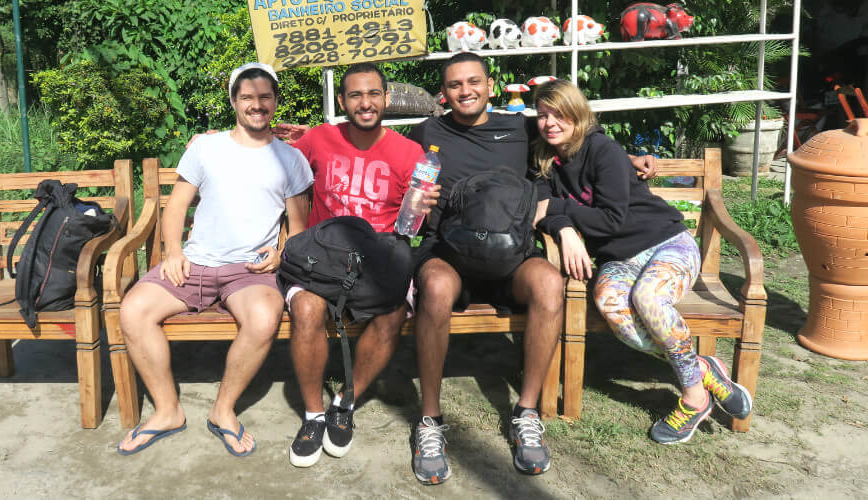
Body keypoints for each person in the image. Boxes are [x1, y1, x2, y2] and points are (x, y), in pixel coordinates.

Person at [407, 53, 657, 483]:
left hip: (513, 253)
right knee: (433, 288)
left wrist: (627, 157)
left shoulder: (522, 127)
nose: (465, 91)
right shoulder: (427, 131)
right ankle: (430, 419)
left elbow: (575, 136)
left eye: (473, 82)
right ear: (442, 94)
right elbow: (368, 141)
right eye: (454, 85)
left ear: (489, 85)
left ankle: (526, 412)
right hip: (450, 251)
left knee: (547, 283)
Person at [531, 79, 752, 445]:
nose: (550, 123)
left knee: (648, 299)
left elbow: (610, 219)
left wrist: (559, 208)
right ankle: (701, 370)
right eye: (542, 115)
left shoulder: (603, 150)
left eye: (559, 114)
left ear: (577, 113)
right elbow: (540, 204)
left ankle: (694, 398)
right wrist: (564, 227)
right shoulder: (543, 156)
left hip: (666, 243)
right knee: (611, 306)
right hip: (619, 258)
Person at [116, 63, 313, 456]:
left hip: (248, 270)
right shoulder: (206, 148)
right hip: (194, 263)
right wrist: (173, 251)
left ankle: (223, 411)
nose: (257, 105)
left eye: (265, 97)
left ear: (275, 101)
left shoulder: (291, 159)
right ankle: (167, 410)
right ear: (234, 102)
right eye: (248, 98)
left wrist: (279, 253)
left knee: (262, 317)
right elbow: (176, 208)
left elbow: (298, 224)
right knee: (134, 309)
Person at [285, 62, 436, 467]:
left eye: (373, 94)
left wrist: (421, 209)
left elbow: (412, 222)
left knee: (394, 313)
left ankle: (344, 403)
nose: (365, 103)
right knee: (305, 308)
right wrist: (217, 138)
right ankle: (314, 414)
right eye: (355, 95)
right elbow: (270, 161)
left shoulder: (409, 153)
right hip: (322, 256)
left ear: (386, 98)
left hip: (380, 256)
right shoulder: (318, 139)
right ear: (342, 101)